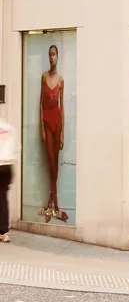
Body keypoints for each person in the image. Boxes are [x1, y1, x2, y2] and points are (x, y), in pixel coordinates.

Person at [39, 44, 68, 223]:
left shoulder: (61, 80)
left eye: (54, 55)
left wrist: (63, 133)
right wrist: (41, 128)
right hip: (47, 123)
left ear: (58, 57)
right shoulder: (43, 77)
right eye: (49, 55)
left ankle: (52, 203)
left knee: (55, 163)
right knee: (51, 163)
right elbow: (41, 104)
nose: (52, 58)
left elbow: (62, 107)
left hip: (57, 122)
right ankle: (54, 203)